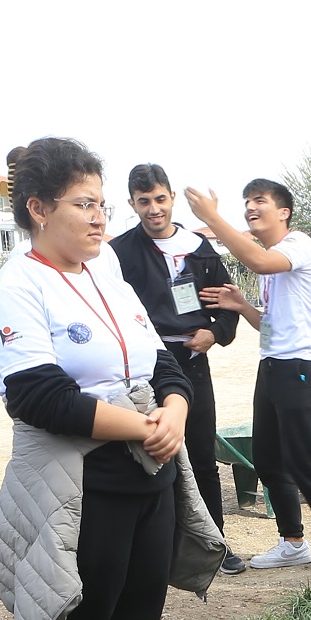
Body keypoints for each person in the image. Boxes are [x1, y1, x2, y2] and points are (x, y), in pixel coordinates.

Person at [0, 139, 202, 620]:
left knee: (138, 612)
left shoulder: (108, 270)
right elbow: (38, 396)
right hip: (85, 477)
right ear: (39, 209)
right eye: (83, 204)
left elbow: (161, 362)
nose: (101, 216)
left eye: (103, 203)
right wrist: (145, 426)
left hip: (148, 465)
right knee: (85, 617)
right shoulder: (18, 287)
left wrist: (175, 411)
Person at [185, 177, 311, 572]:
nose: (249, 208)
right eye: (246, 202)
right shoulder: (272, 263)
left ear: (284, 211)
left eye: (259, 200)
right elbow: (272, 325)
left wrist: (212, 217)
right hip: (273, 365)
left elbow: (258, 260)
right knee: (268, 459)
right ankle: (292, 542)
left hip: (302, 369)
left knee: (298, 459)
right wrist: (243, 307)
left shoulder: (298, 246)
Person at [110, 162, 244, 572]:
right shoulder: (117, 253)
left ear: (170, 198)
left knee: (202, 454)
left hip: (192, 363)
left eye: (160, 199)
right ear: (132, 203)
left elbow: (228, 303)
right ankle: (156, 550)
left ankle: (215, 545)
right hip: (144, 370)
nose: (154, 209)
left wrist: (216, 334)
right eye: (144, 201)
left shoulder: (199, 248)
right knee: (147, 454)